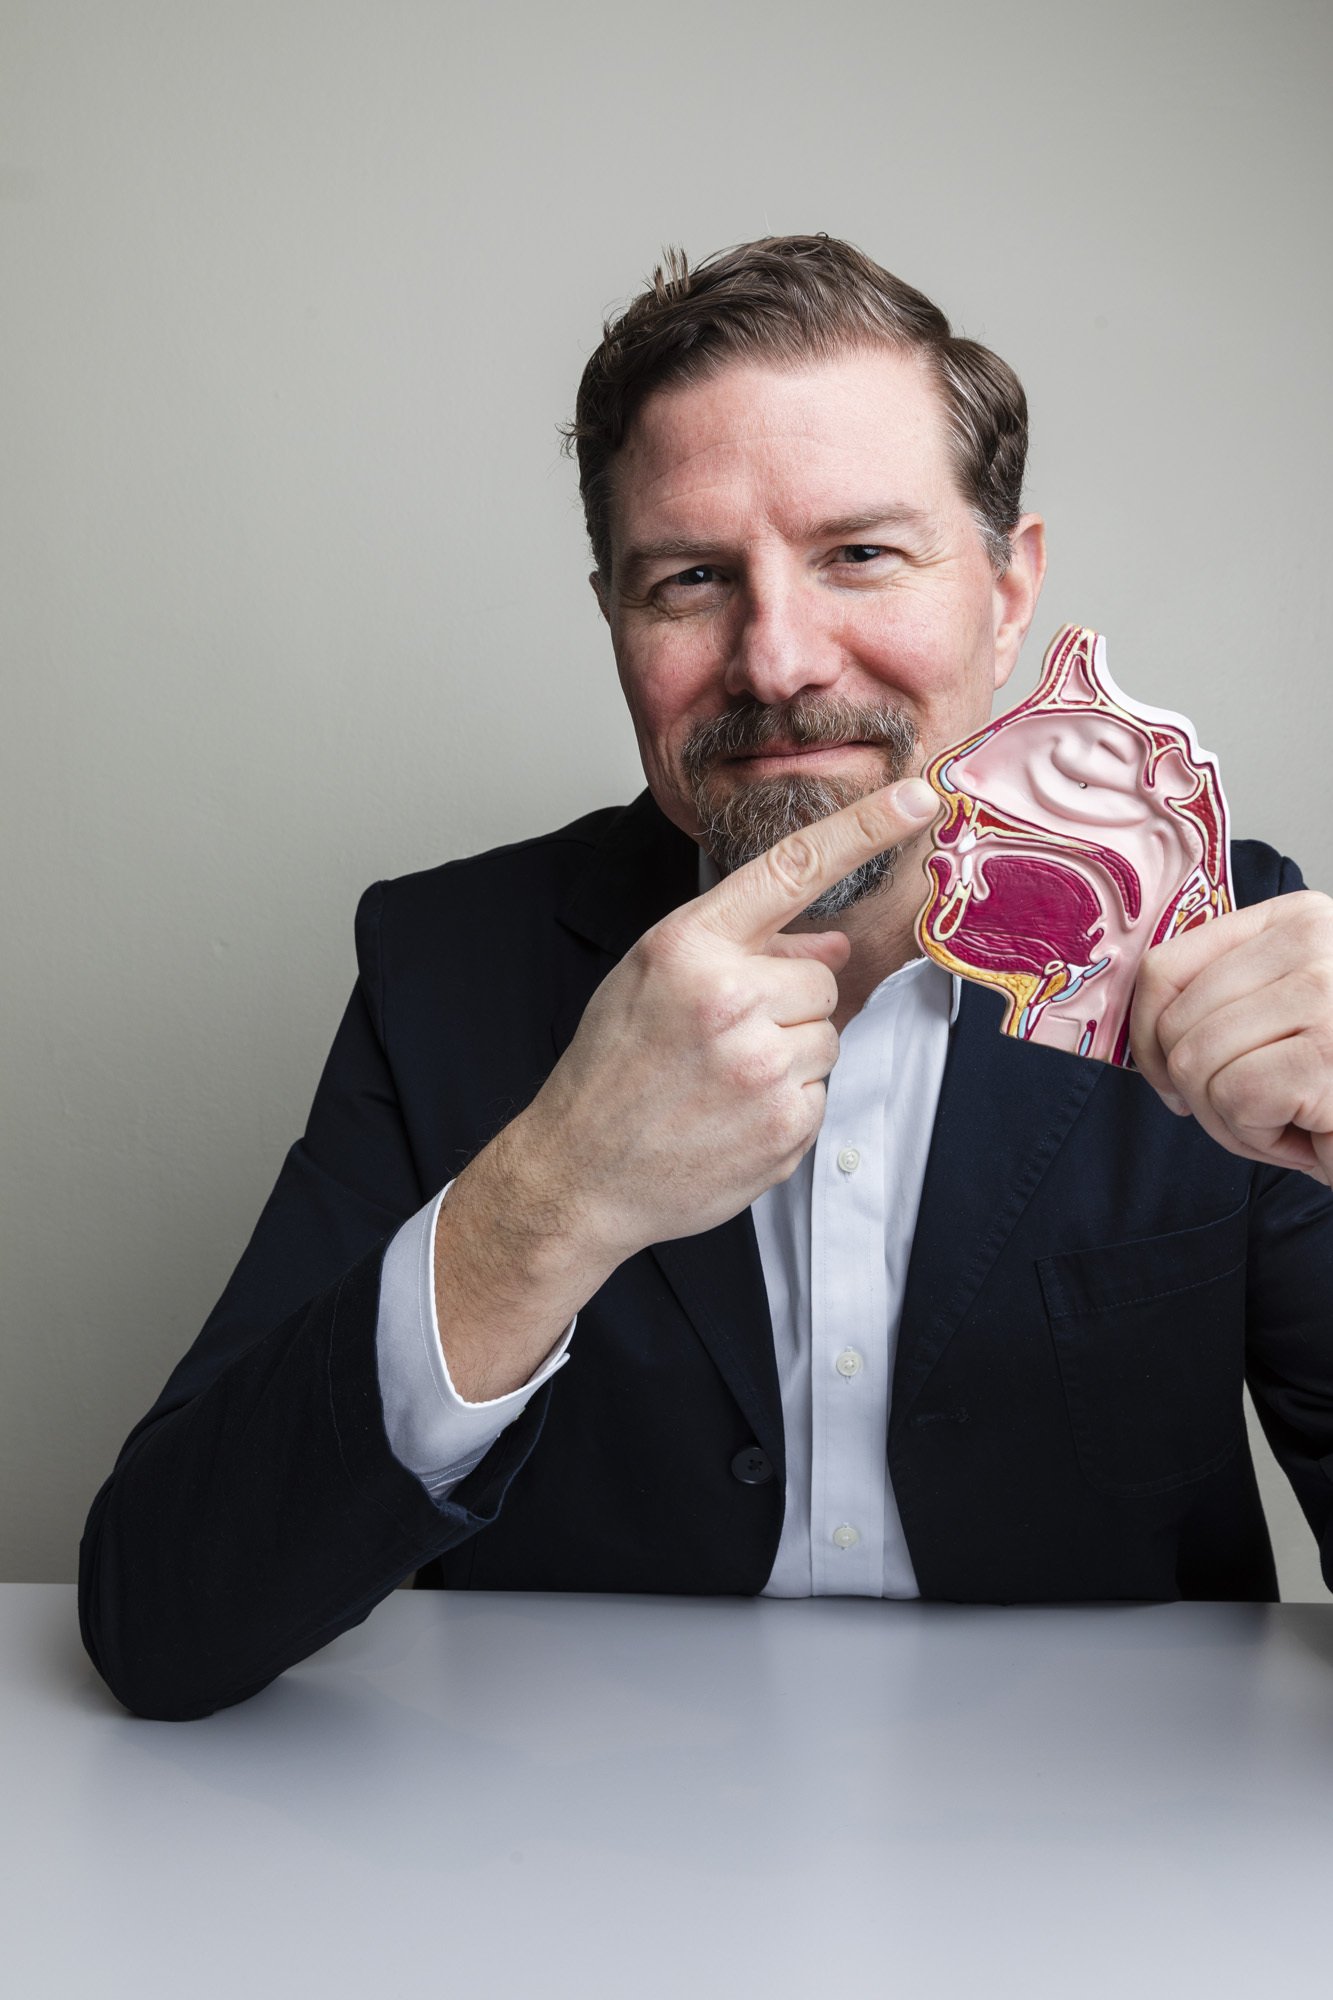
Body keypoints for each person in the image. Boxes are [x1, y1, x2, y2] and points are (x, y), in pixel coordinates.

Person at [79, 235, 1333, 1720]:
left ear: (1008, 593)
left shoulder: (1229, 944)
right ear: (614, 615)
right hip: (574, 1878)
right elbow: (163, 1624)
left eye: (860, 554)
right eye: (689, 578)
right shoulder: (445, 967)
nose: (781, 658)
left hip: (1094, 1872)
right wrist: (551, 1194)